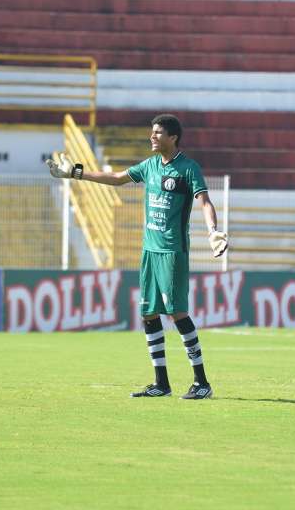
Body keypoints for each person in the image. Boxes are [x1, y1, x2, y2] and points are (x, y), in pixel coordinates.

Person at [46, 114, 228, 400]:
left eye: (158, 133)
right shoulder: (150, 166)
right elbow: (118, 178)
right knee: (149, 314)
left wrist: (213, 231)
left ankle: (201, 382)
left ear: (173, 137)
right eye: (152, 133)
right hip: (149, 251)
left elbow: (204, 201)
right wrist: (76, 173)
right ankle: (161, 383)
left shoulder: (188, 169)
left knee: (177, 313)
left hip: (172, 251)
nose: (152, 137)